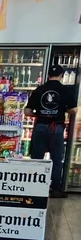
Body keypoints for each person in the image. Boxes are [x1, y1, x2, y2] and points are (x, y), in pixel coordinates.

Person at [25, 65, 77, 198]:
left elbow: (27, 111)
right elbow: (74, 110)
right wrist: (61, 110)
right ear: (61, 75)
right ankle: (55, 189)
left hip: (41, 126)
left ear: (48, 75)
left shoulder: (39, 90)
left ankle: (33, 187)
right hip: (57, 128)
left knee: (37, 158)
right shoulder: (65, 90)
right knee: (56, 159)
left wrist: (39, 114)